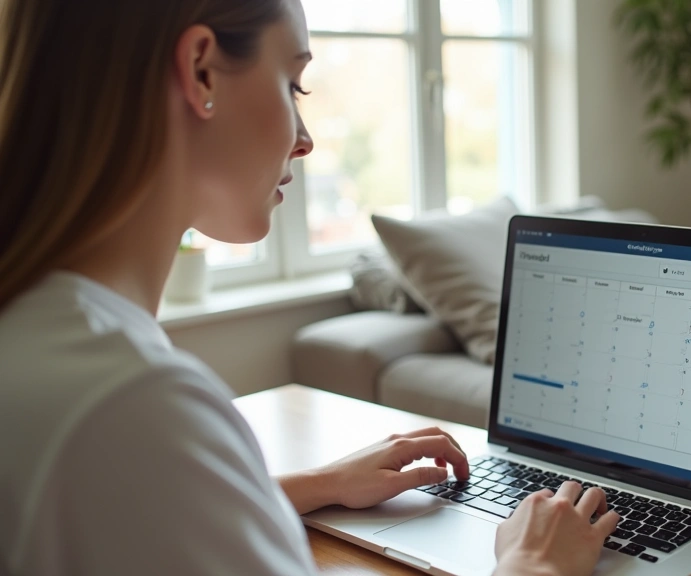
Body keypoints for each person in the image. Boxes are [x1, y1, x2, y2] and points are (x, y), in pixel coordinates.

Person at [0, 0, 620, 575]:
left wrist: (316, 483)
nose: (305, 137)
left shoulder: (44, 338)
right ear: (201, 72)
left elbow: (136, 510)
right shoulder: (133, 404)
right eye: (292, 83)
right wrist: (531, 566)